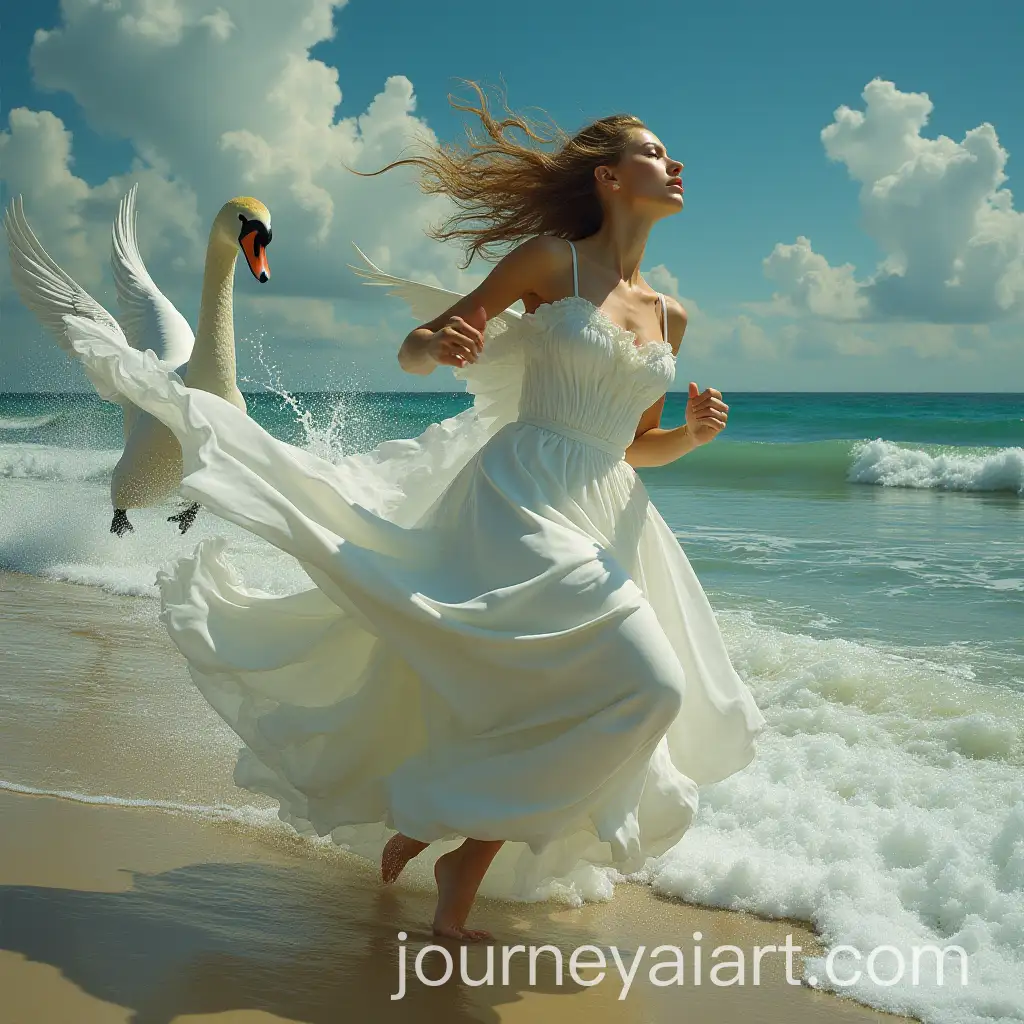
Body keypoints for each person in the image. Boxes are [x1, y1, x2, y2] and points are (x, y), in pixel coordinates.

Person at [64, 81, 766, 943]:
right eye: (655, 153)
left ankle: (463, 855)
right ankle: (454, 837)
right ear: (608, 179)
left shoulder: (671, 314)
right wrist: (439, 345)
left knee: (625, 695)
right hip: (521, 496)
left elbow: (631, 446)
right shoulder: (553, 262)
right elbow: (418, 347)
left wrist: (690, 437)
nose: (676, 164)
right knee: (648, 682)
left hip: (609, 506)